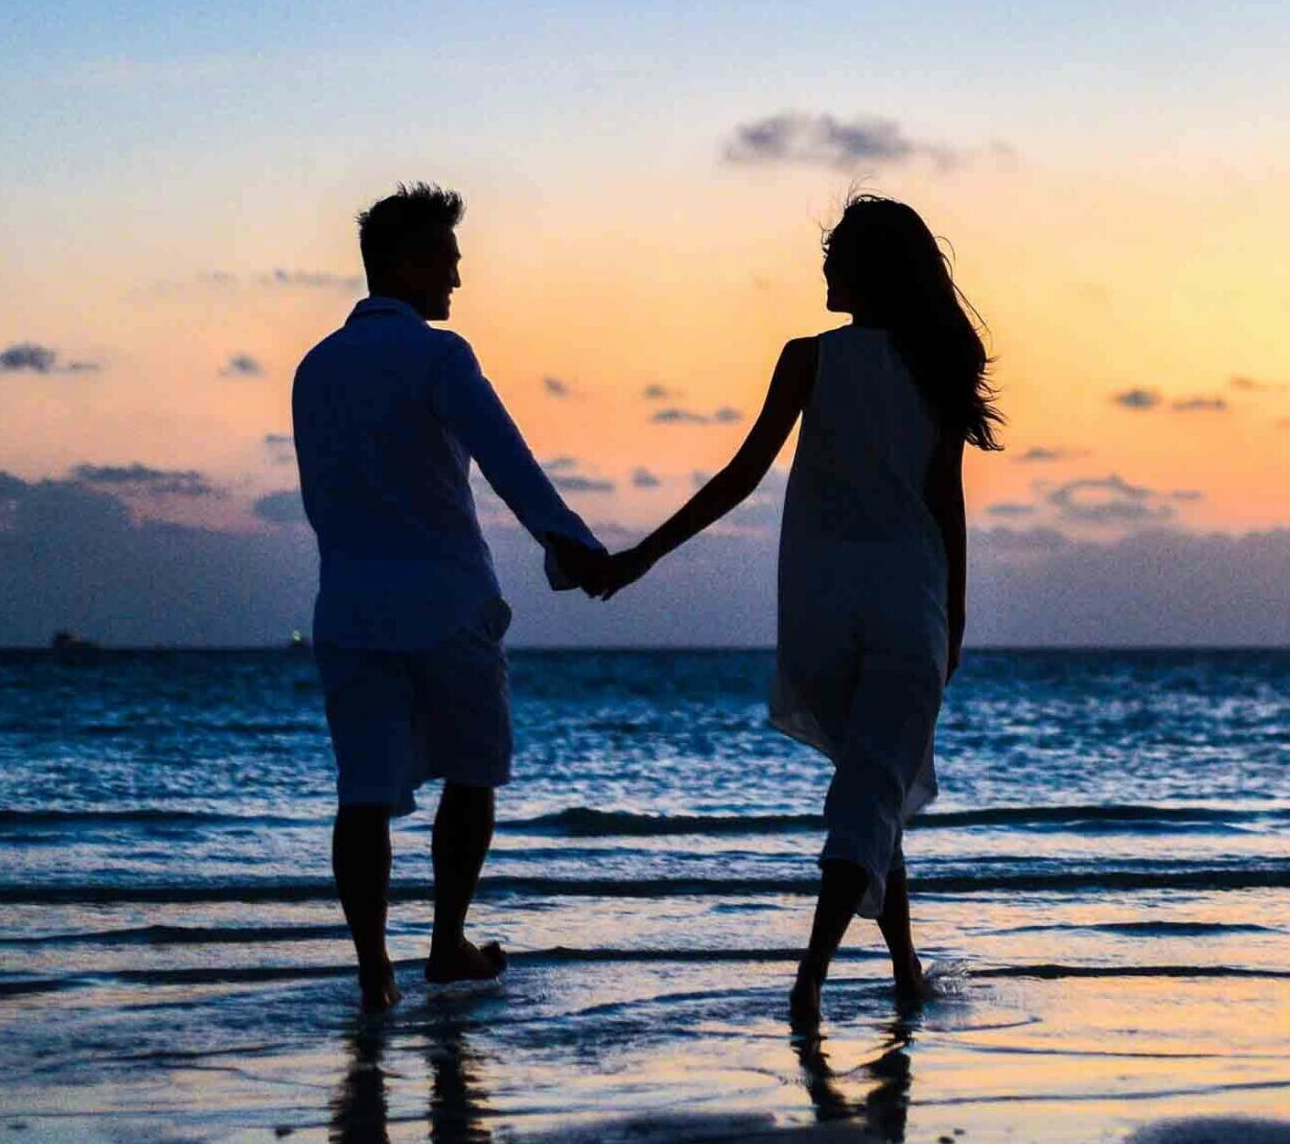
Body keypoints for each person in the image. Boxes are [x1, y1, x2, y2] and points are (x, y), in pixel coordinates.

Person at [598, 194, 1001, 1026]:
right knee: (868, 795)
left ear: (869, 269)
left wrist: (643, 556)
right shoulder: (934, 366)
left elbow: (740, 477)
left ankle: (904, 969)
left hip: (821, 614)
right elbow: (945, 505)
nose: (822, 265)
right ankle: (810, 980)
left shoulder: (808, 358)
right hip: (907, 607)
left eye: (834, 253)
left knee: (873, 788)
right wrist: (955, 620)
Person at [292, 183, 609, 1011]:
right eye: (447, 261)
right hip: (445, 602)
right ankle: (444, 943)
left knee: (363, 794)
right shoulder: (440, 356)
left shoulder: (314, 368)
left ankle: (373, 970)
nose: (457, 282)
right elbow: (507, 460)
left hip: (350, 606)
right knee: (472, 774)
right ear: (404, 262)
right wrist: (571, 547)